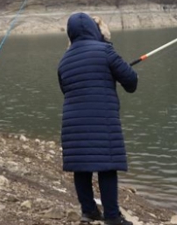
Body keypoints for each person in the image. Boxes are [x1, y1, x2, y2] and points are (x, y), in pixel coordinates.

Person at [58, 13, 138, 225]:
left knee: (81, 166)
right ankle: (112, 216)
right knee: (107, 164)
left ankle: (89, 211)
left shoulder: (64, 60)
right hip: (102, 118)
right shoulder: (105, 50)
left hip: (73, 122)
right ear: (94, 30)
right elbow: (131, 82)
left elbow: (65, 89)